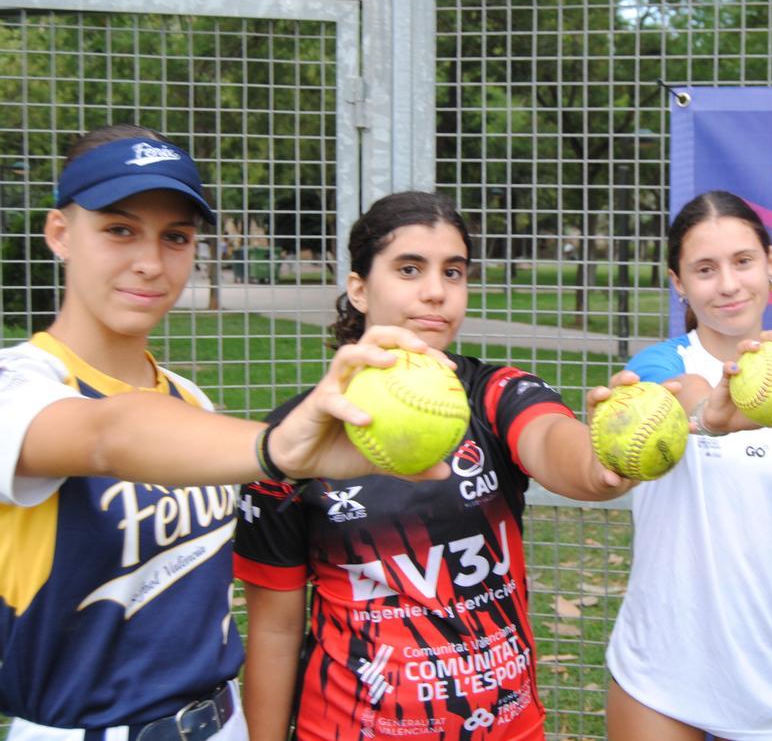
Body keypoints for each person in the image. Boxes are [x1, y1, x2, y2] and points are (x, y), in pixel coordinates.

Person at [0, 125, 446, 740]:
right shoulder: (18, 385)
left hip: (219, 719)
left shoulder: (188, 399)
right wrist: (278, 448)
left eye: (175, 237)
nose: (150, 263)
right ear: (60, 234)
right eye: (119, 229)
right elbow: (107, 432)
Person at [233, 191, 642, 740]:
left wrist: (605, 457)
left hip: (506, 727)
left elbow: (560, 448)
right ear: (358, 289)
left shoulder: (496, 392)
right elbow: (276, 634)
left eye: (454, 272)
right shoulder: (290, 443)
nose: (435, 292)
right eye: (409, 269)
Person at [605, 190, 772, 741]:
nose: (729, 284)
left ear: (771, 263)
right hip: (662, 671)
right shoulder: (658, 366)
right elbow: (679, 394)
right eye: (705, 269)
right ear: (678, 283)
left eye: (743, 261)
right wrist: (709, 411)